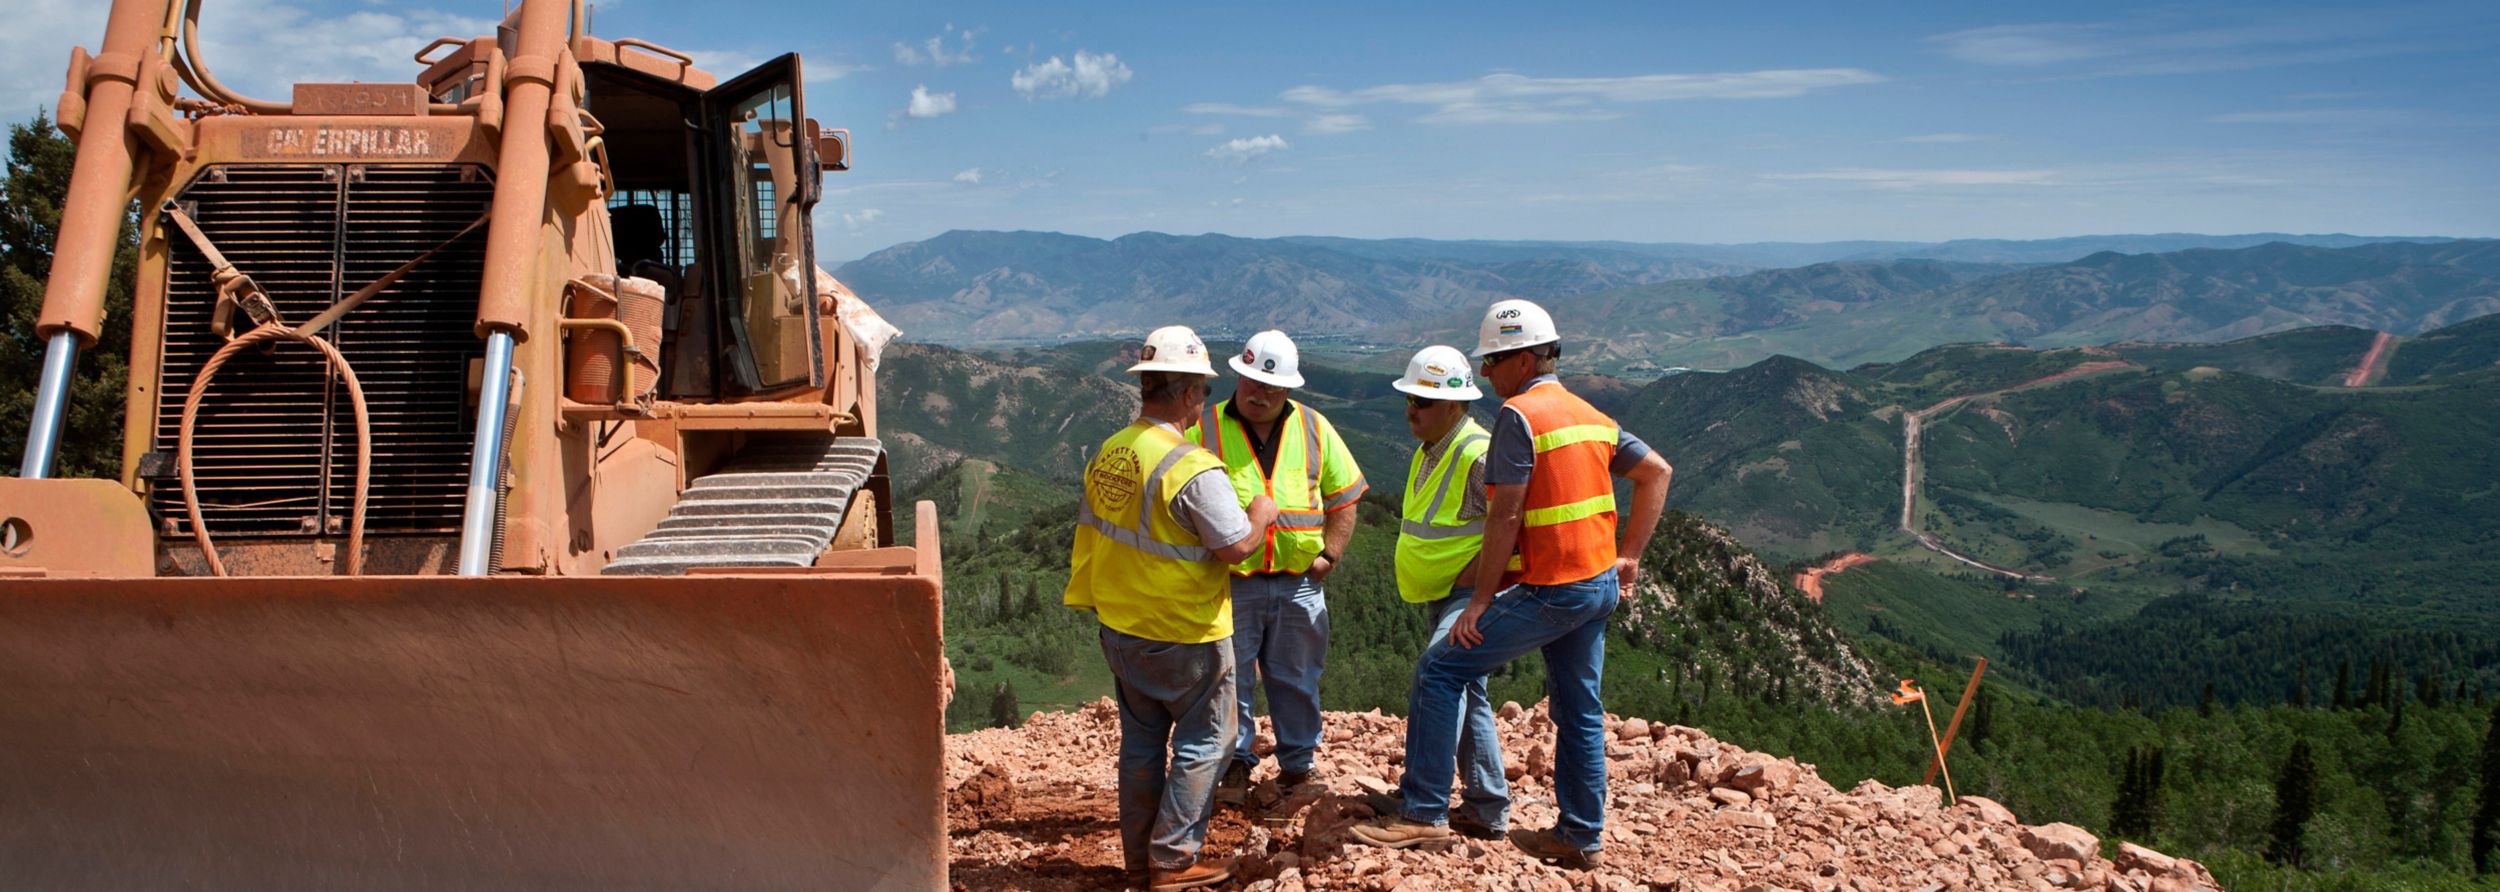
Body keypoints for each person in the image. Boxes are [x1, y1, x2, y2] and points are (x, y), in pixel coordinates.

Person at [1350, 300, 1673, 870]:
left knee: (1441, 668)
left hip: (1553, 587)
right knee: (1578, 710)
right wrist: (1630, 558)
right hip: (1597, 584)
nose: (1487, 374)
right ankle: (1579, 836)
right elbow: (1656, 472)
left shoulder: (1520, 418)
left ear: (1523, 359)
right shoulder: (1589, 414)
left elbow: (1505, 516)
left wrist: (1479, 601)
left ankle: (1423, 815)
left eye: (1494, 361)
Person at [1065, 325, 1280, 891]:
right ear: (1187, 393)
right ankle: (1172, 862)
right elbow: (1234, 546)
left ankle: (1139, 862)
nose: (1204, 401)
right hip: (1184, 631)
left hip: (1120, 625)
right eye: (1203, 391)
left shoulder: (1114, 450)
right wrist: (1261, 511)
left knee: (1141, 744)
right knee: (1207, 741)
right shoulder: (1191, 466)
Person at [1187, 330, 1367, 805]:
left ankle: (1298, 767)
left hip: (1299, 584)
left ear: (1289, 388)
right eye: (1250, 381)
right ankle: (1235, 766)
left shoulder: (1313, 426)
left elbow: (1345, 495)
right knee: (1230, 679)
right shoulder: (1202, 429)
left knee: (1297, 678)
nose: (1258, 393)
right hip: (1231, 582)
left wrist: (1331, 554)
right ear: (1237, 375)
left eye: (1270, 386)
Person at [1381, 344, 1508, 840]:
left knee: (1436, 677)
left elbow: (1510, 528)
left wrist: (1472, 585)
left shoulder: (1476, 454)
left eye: (1424, 401)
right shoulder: (1432, 447)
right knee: (1468, 691)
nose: (1412, 409)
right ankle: (1486, 807)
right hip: (1445, 593)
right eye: (1409, 399)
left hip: (1468, 595)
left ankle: (1423, 808)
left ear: (1455, 404)